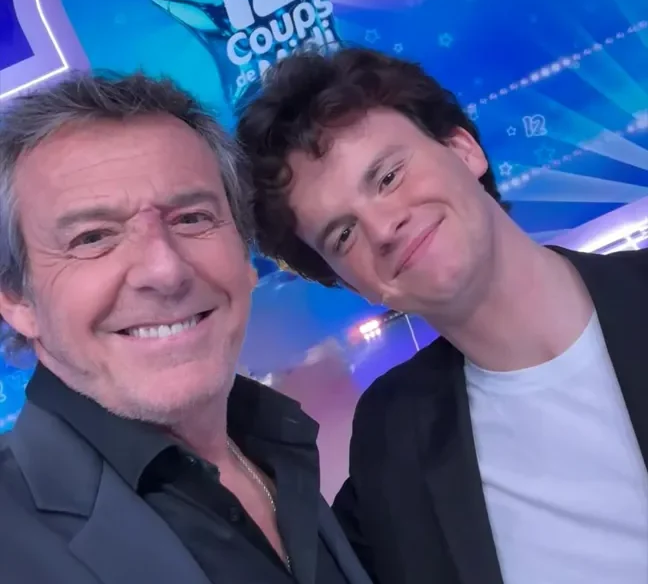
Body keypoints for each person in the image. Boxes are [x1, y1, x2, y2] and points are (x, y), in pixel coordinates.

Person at [236, 47, 648, 584]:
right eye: (344, 234)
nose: (383, 228)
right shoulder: (391, 446)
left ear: (463, 149)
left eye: (388, 177)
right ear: (351, 283)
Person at [0, 72, 372, 584]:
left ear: (245, 254)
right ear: (17, 300)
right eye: (93, 237)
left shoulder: (275, 446)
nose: (165, 269)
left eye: (192, 218)